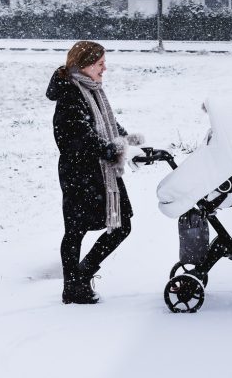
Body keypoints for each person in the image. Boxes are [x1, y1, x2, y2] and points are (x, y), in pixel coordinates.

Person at [46, 41, 144, 304]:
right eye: (100, 64)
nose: (104, 68)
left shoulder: (92, 90)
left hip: (102, 172)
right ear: (85, 64)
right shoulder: (70, 94)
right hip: (81, 174)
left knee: (121, 225)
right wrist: (113, 150)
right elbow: (78, 137)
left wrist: (133, 144)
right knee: (75, 231)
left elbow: (109, 126)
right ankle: (73, 287)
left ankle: (80, 277)